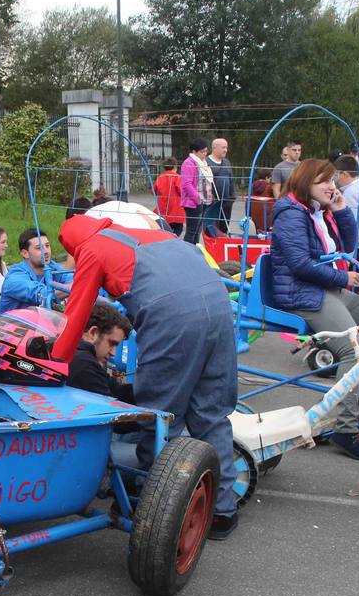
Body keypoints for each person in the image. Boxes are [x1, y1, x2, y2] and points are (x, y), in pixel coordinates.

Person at [54, 213, 239, 539]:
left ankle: (150, 504)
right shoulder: (153, 234)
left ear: (73, 242)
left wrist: (55, 362)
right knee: (212, 414)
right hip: (220, 304)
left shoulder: (92, 249)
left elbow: (76, 313)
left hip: (173, 317)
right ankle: (222, 511)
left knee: (159, 416)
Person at [269, 158, 359, 460]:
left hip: (328, 288)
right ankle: (344, 427)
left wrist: (340, 210)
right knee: (355, 351)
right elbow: (300, 265)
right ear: (305, 184)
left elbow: (348, 246)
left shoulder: (316, 211)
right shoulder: (291, 214)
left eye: (331, 181)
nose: (331, 187)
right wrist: (343, 277)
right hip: (304, 293)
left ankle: (347, 396)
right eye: (323, 182)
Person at [66, 301, 134, 405]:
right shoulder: (84, 365)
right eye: (112, 343)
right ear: (93, 333)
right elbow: (112, 412)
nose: (114, 353)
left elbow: (117, 389)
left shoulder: (71, 350)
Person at [0, 227, 62, 313]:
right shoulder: (14, 277)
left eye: (47, 246)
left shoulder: (53, 266)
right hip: (17, 324)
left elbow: (71, 279)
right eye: (39, 248)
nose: (46, 251)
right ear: (25, 253)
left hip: (44, 322)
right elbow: (41, 294)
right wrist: (74, 287)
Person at [179, 138, 215, 244]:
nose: (204, 154)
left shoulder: (203, 163)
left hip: (204, 201)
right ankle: (188, 253)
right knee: (191, 231)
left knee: (197, 231)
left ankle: (195, 251)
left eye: (205, 151)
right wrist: (198, 199)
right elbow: (186, 184)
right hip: (193, 203)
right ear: (194, 151)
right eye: (202, 151)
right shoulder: (189, 163)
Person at [207, 138, 234, 235]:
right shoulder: (206, 162)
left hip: (226, 202)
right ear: (214, 148)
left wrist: (232, 197)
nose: (225, 150)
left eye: (226, 147)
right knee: (212, 228)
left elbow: (231, 179)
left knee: (224, 228)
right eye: (223, 147)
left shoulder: (226, 162)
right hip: (213, 203)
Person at [152, 158, 185, 236]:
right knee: (178, 228)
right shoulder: (177, 177)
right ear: (174, 167)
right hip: (175, 207)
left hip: (163, 206)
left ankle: (168, 237)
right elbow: (181, 191)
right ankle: (173, 238)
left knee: (165, 227)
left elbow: (154, 191)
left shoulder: (160, 177)